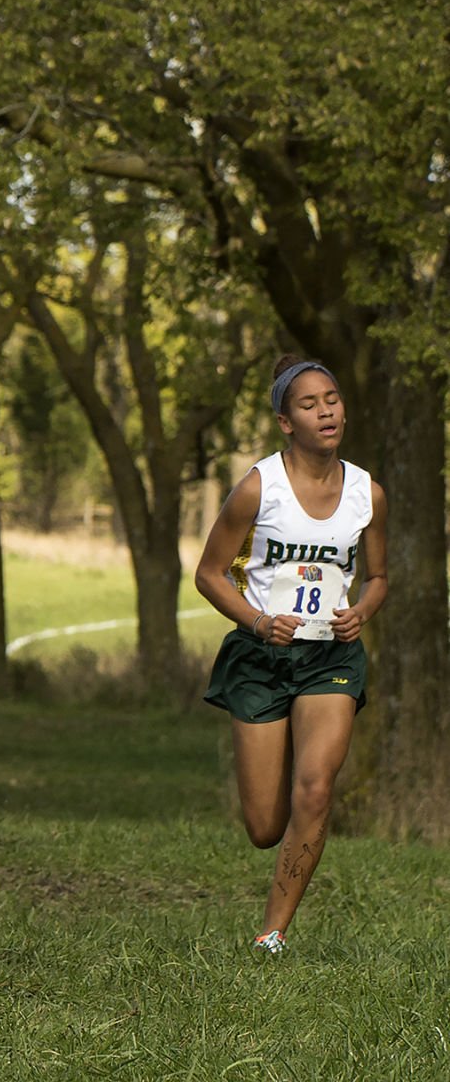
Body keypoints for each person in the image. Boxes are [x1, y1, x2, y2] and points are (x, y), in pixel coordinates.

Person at [194, 354, 385, 956]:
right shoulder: (258, 487)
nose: (325, 411)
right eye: (309, 404)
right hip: (261, 656)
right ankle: (268, 780)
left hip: (331, 655)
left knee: (316, 789)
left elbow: (379, 576)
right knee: (264, 826)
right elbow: (208, 574)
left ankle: (271, 933)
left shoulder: (367, 492)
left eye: (331, 399)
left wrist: (363, 611)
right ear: (285, 422)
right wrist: (257, 619)